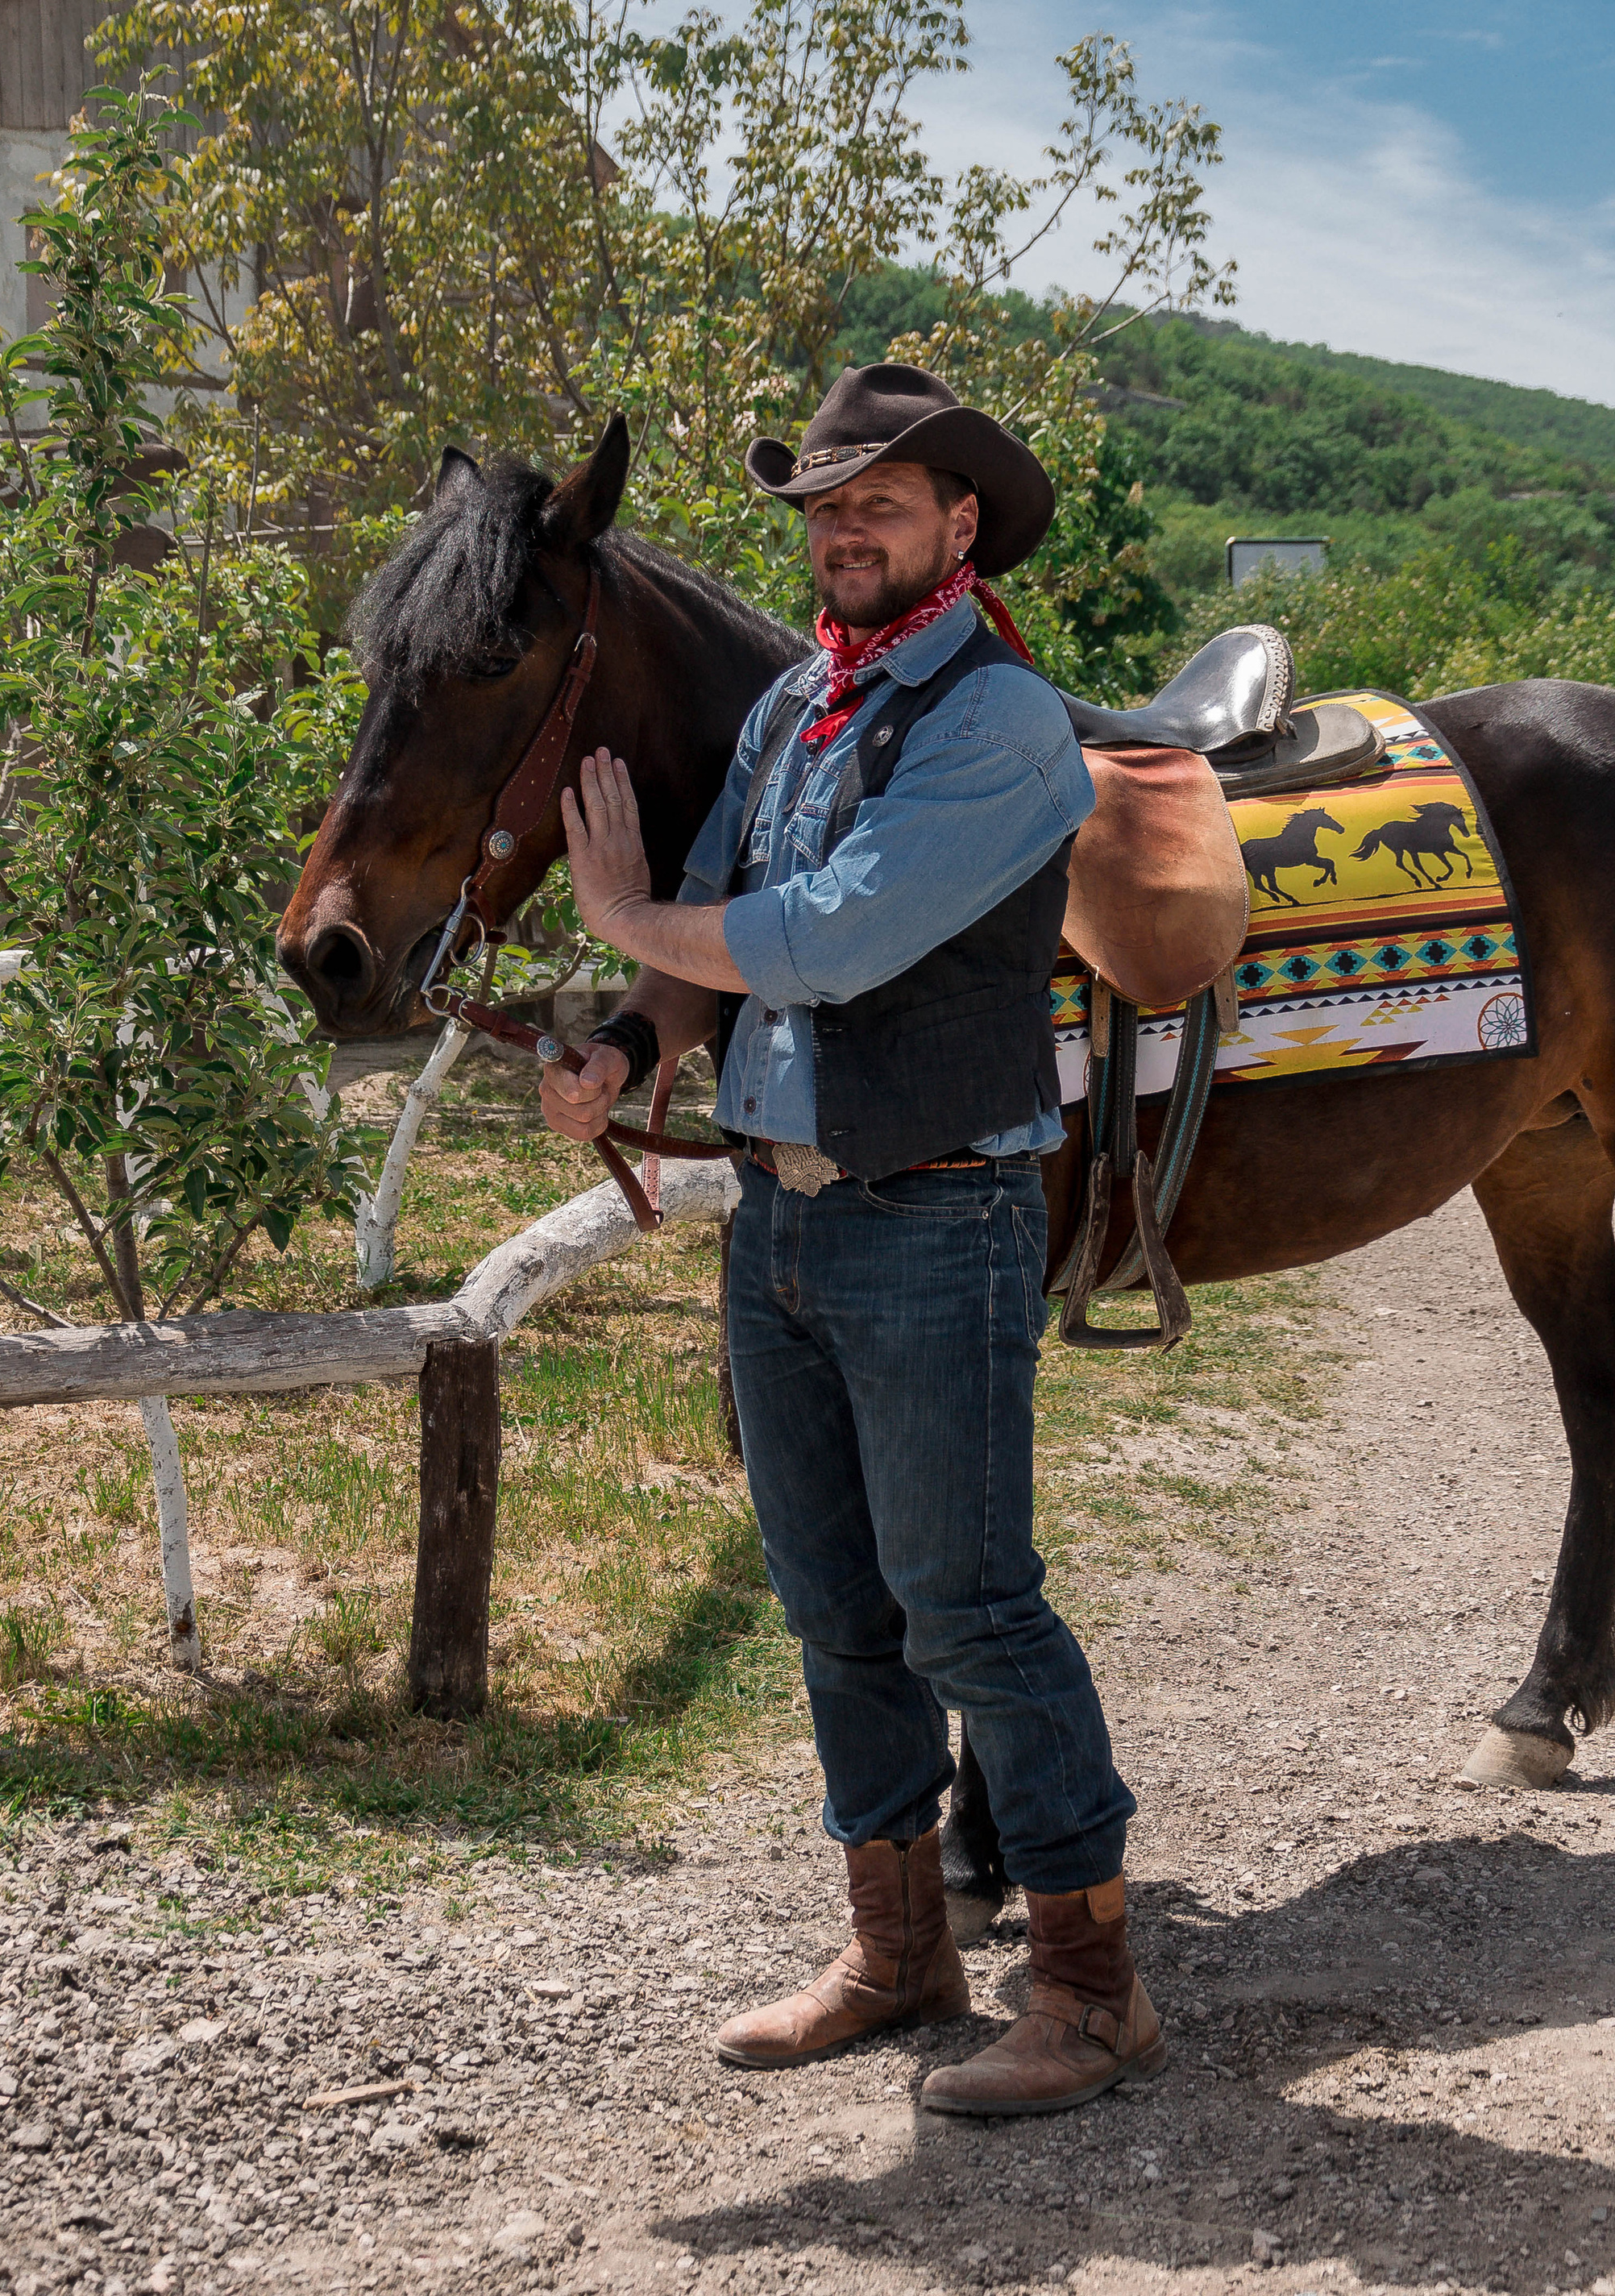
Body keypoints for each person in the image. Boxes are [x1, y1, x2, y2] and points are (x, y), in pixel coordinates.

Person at [540, 363, 1165, 2115]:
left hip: (934, 1222)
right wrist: (627, 1039)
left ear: (959, 524)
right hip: (784, 1225)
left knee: (966, 1608)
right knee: (833, 1611)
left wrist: (619, 906)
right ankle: (897, 1953)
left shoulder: (995, 724)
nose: (842, 530)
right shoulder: (796, 710)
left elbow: (819, 938)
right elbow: (713, 934)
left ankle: (1094, 1986)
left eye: (879, 501)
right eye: (823, 506)